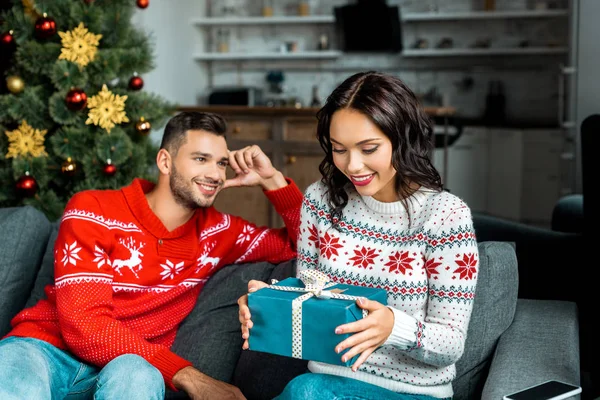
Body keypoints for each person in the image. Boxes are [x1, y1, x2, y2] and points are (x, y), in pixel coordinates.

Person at [0, 111, 303, 400]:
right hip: (44, 350)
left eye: (222, 163)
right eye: (201, 159)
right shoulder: (93, 209)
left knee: (138, 374)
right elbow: (84, 324)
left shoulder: (220, 233)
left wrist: (272, 180)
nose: (215, 174)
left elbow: (309, 246)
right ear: (165, 161)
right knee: (15, 365)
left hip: (127, 365)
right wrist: (189, 376)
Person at [238, 71, 479, 400]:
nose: (353, 166)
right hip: (322, 386)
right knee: (304, 390)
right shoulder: (320, 202)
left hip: (412, 392)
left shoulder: (445, 217)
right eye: (339, 149)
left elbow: (450, 345)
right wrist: (271, 302)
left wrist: (393, 327)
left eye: (369, 148)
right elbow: (314, 293)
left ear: (402, 139)